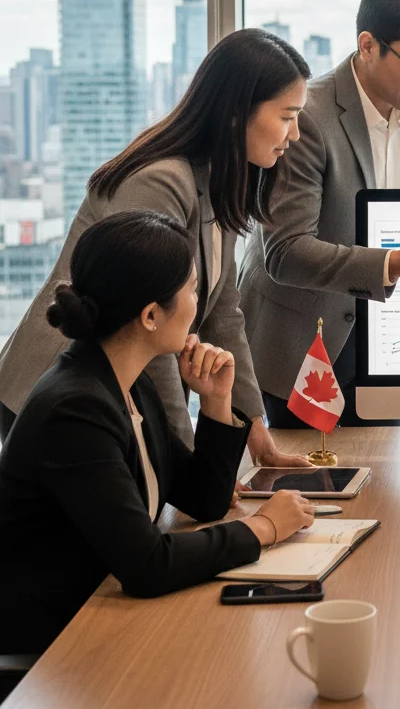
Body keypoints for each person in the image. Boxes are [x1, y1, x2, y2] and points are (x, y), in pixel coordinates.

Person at [0, 212, 315, 655]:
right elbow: (148, 566)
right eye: (191, 289)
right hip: (54, 644)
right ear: (150, 315)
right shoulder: (76, 409)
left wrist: (216, 402)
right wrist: (263, 527)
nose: (198, 302)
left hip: (104, 613)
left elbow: (203, 499)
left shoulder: (127, 383)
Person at [0, 29, 311, 471]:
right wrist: (187, 465)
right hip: (59, 398)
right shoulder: (163, 181)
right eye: (287, 116)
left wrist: (256, 430)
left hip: (113, 396)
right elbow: (149, 328)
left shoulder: (215, 178)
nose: (295, 134)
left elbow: (223, 312)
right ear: (236, 114)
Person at [239, 0, 400, 429]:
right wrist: (392, 265)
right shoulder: (309, 118)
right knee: (317, 489)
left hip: (381, 333)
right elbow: (284, 253)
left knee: (384, 479)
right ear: (368, 46)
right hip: (303, 339)